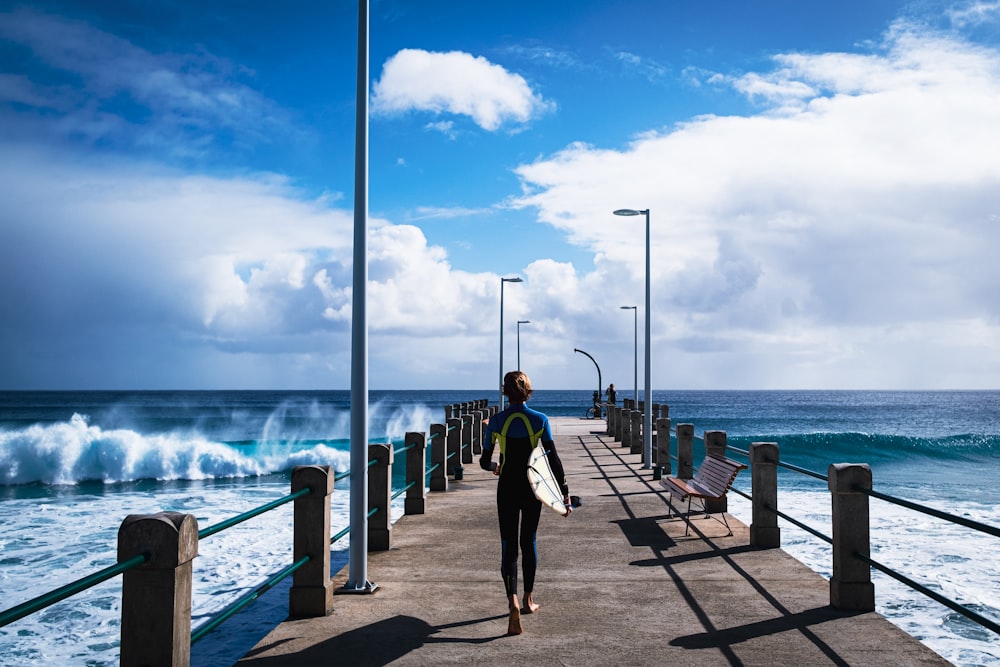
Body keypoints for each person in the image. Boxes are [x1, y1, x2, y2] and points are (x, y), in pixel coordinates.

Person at [480, 370, 571, 636]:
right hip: (533, 489)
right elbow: (553, 460)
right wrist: (564, 492)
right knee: (528, 541)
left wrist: (497, 466)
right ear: (528, 392)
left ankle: (513, 602)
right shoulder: (540, 420)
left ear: (505, 392)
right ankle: (530, 600)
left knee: (508, 544)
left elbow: (485, 462)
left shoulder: (496, 422)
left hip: (506, 486)